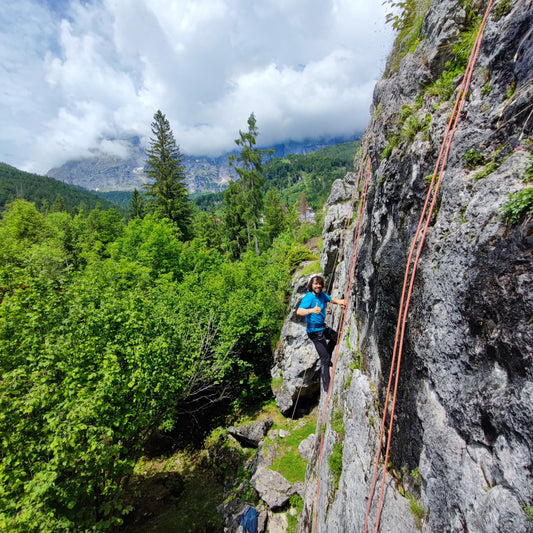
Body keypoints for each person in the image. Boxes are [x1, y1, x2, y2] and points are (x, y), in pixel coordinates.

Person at [296, 275, 346, 391]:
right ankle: (327, 387)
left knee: (337, 338)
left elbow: (330, 299)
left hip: (322, 328)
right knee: (324, 359)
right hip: (314, 332)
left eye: (319, 284)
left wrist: (340, 302)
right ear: (311, 286)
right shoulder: (309, 297)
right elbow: (299, 311)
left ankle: (327, 357)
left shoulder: (322, 295)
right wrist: (312, 310)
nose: (318, 286)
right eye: (315, 284)